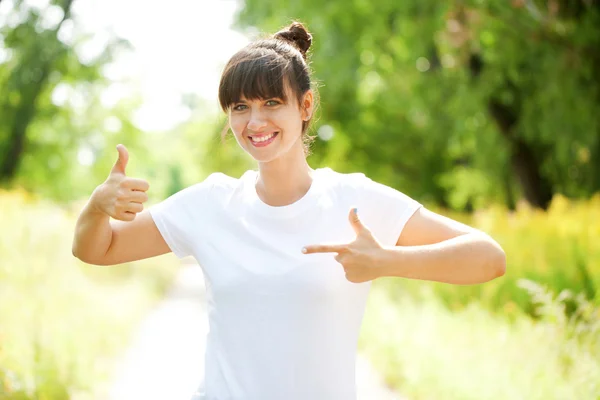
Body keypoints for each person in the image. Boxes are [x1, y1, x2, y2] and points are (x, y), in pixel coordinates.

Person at [72, 21, 506, 400]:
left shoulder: (353, 198)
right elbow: (98, 249)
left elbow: (488, 257)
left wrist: (386, 261)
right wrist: (96, 207)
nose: (254, 122)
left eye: (271, 103)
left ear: (305, 106)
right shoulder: (209, 203)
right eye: (240, 107)